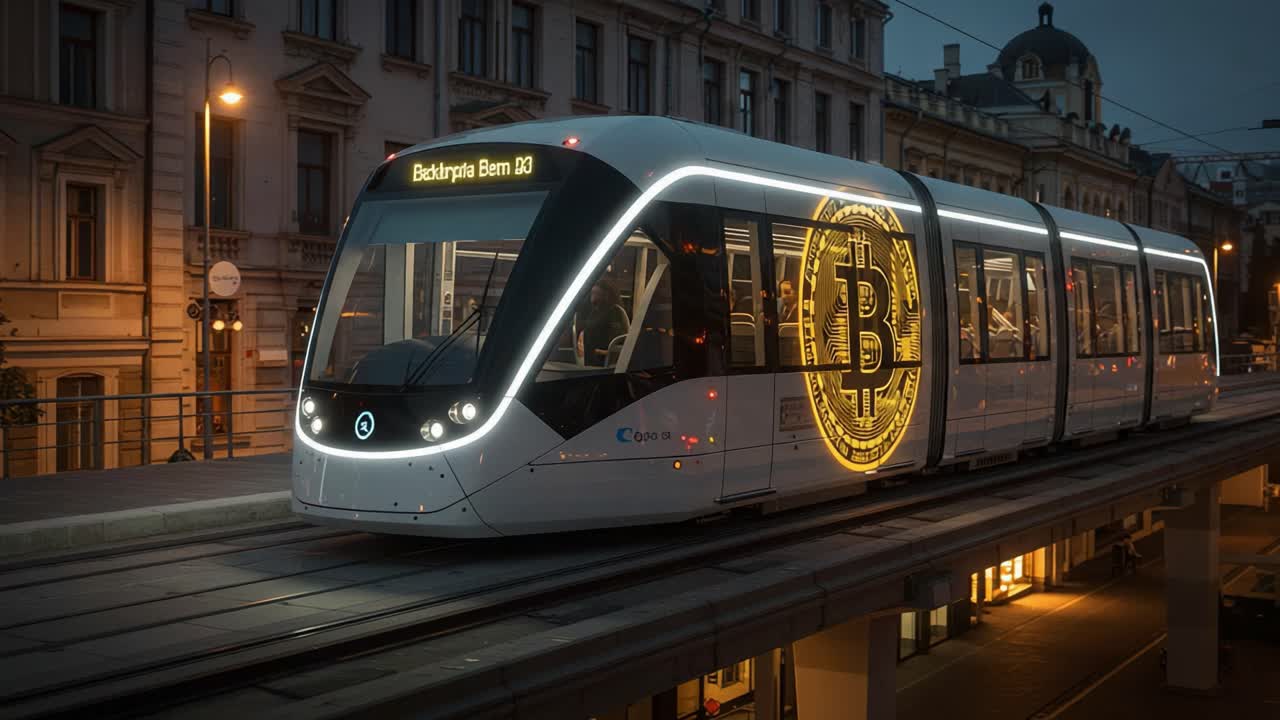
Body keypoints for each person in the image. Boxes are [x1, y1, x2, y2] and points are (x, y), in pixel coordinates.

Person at [577, 280, 629, 367]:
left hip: (604, 361)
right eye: (592, 292)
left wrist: (603, 353)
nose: (593, 295)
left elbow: (617, 340)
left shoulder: (615, 311)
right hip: (590, 359)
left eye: (596, 293)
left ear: (606, 295)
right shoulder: (595, 311)